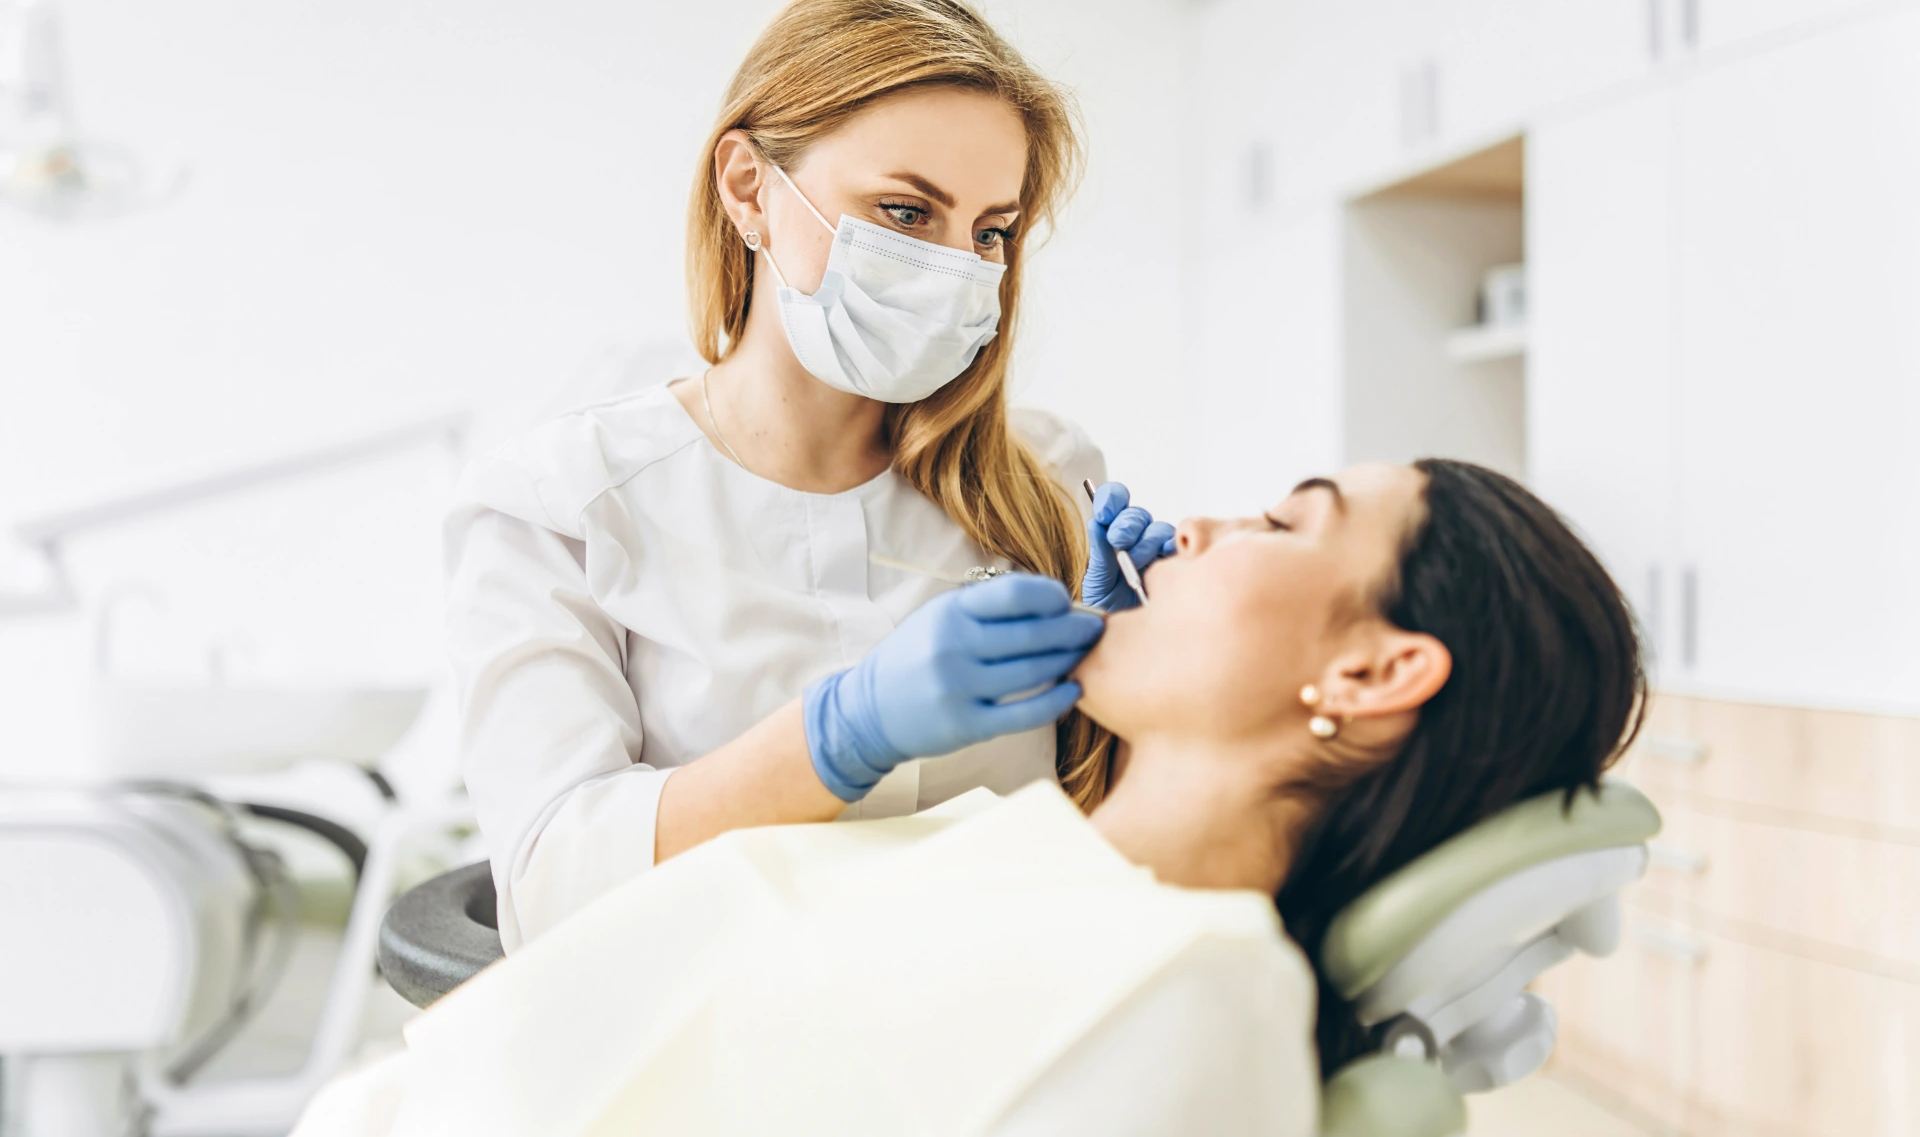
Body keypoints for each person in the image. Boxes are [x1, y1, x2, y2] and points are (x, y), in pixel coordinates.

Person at [297, 459, 1644, 1136]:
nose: (1195, 529)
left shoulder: (1191, 986)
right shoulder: (997, 844)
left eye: (1286, 522)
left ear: (1375, 667)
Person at [444, 0, 1178, 949]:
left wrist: (1144, 689)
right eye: (908, 213)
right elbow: (550, 888)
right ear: (749, 187)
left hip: (998, 1026)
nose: (960, 267)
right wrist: (840, 734)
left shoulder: (1045, 473)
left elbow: (1110, 834)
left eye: (990, 231)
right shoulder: (557, 507)